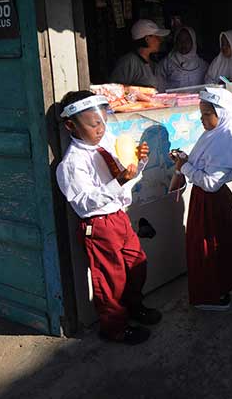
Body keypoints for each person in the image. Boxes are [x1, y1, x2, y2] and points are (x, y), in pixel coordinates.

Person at [56, 91, 162, 345]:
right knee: (110, 277)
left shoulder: (105, 144)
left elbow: (127, 176)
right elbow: (84, 202)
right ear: (71, 125)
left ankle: (133, 306)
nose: (101, 128)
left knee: (137, 264)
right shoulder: (72, 163)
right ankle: (114, 326)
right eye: (94, 124)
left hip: (119, 217)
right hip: (99, 224)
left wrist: (140, 160)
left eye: (103, 121)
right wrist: (118, 182)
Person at [169, 88, 232, 311]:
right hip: (209, 200)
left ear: (223, 114)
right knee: (224, 239)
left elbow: (210, 183)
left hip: (211, 200)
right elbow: (204, 166)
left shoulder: (225, 141)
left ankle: (209, 294)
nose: (202, 119)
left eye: (207, 114)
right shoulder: (213, 134)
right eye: (201, 114)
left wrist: (184, 166)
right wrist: (187, 160)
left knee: (206, 245)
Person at [110, 19, 170, 89]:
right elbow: (115, 88)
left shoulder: (153, 62)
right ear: (147, 39)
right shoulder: (129, 62)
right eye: (157, 37)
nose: (160, 41)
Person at [156, 27, 208, 91]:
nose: (183, 43)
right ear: (175, 42)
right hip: (173, 100)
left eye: (187, 40)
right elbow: (160, 87)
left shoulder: (202, 65)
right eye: (180, 40)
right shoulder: (166, 64)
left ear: (193, 41)